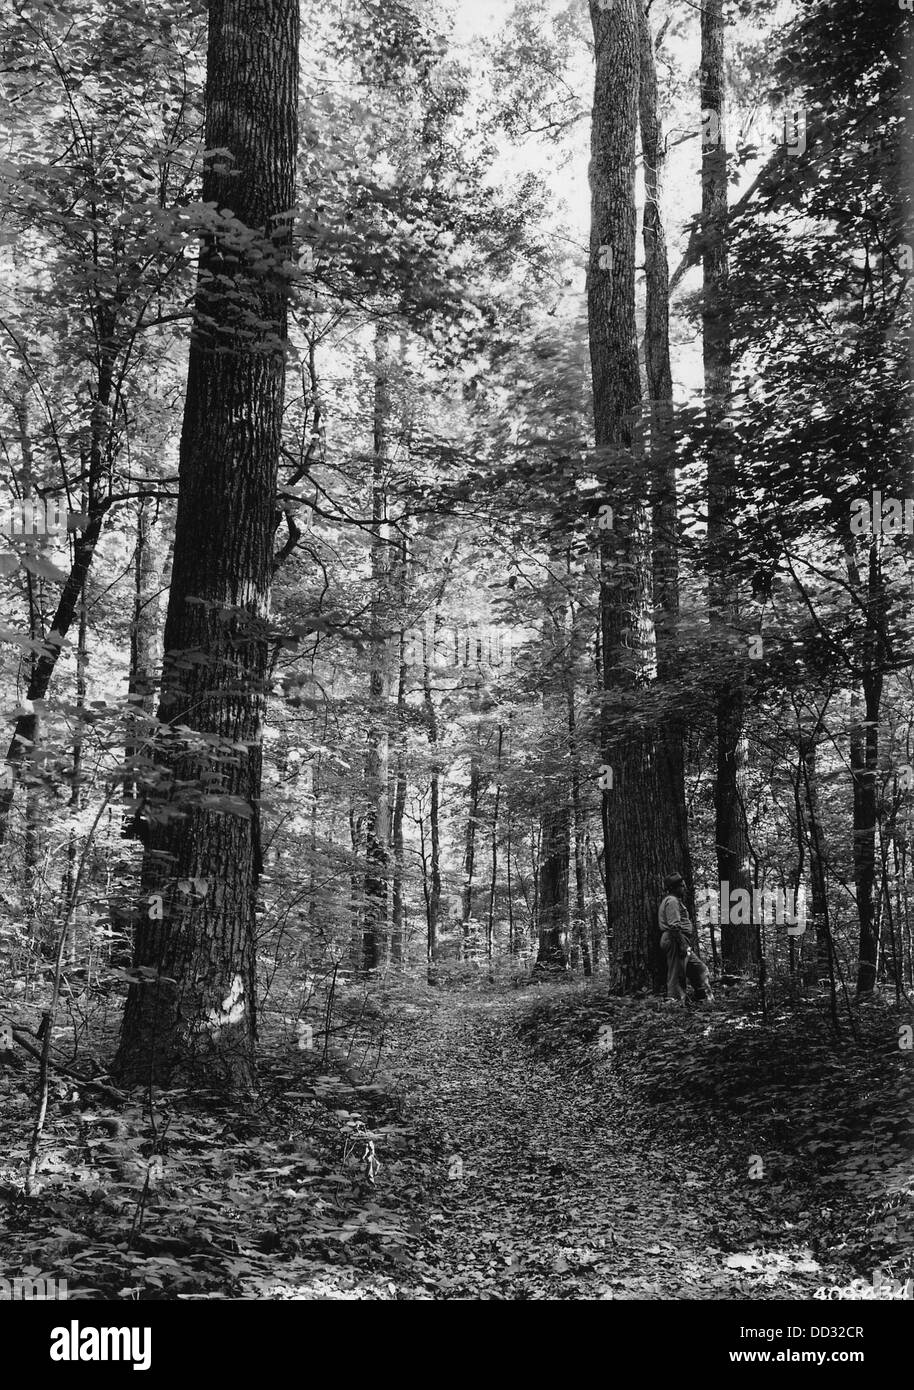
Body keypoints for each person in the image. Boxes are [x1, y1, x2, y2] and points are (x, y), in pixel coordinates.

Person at [659, 873, 713, 1005]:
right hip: (675, 940)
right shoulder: (672, 901)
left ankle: (703, 999)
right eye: (681, 886)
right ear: (674, 888)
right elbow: (674, 926)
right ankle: (675, 1005)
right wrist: (682, 945)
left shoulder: (675, 901)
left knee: (700, 969)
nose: (684, 888)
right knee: (677, 975)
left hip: (679, 940)